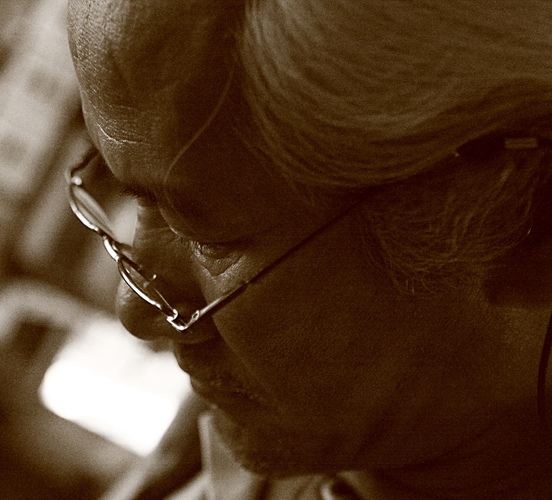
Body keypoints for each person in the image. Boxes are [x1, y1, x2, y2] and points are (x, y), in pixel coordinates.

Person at [65, 0, 552, 498]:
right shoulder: (250, 431)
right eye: (139, 200)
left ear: (525, 225)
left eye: (210, 238)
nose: (135, 312)